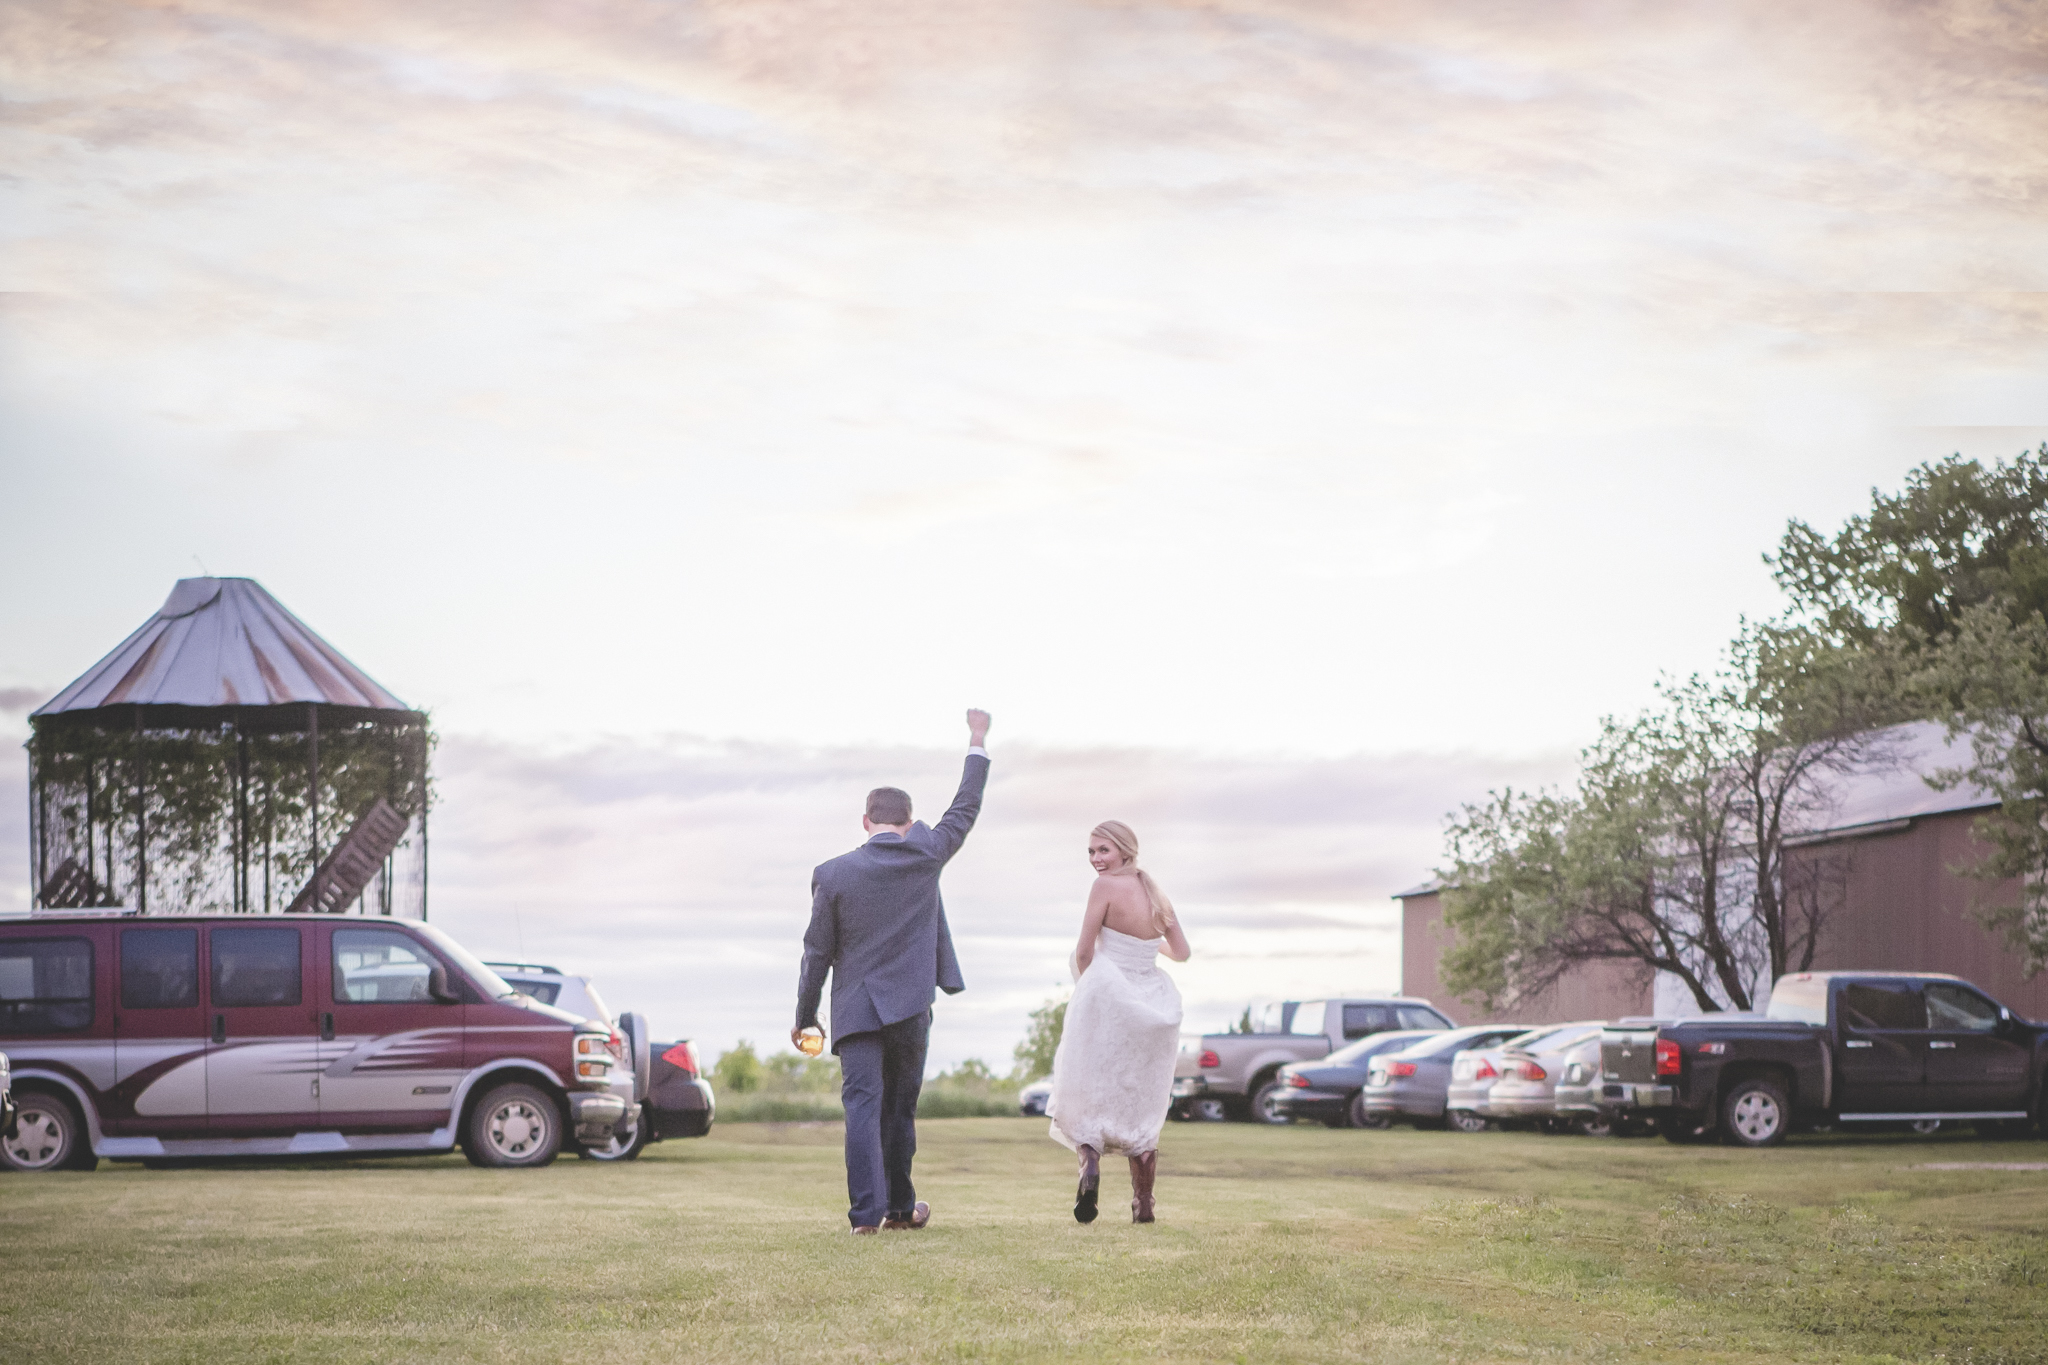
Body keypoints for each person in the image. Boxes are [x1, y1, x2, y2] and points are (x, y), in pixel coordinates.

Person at [793, 709, 992, 1235]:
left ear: (866, 820)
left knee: (861, 1108)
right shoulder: (925, 852)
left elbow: (816, 952)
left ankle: (866, 1219)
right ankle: (901, 1210)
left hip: (855, 1007)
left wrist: (805, 1017)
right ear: (908, 821)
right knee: (899, 1111)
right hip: (908, 1007)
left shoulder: (832, 874)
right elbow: (964, 808)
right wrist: (976, 740)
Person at [1045, 820, 1190, 1224]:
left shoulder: (1105, 888)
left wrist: (1088, 992)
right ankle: (1143, 1202)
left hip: (1110, 997)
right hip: (1154, 1006)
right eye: (1091, 852)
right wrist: (1142, 945)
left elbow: (1084, 951)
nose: (1096, 860)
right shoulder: (1155, 891)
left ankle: (1090, 1167)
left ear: (1125, 850)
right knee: (1141, 1098)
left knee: (1090, 1088)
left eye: (1103, 851)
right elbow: (1181, 952)